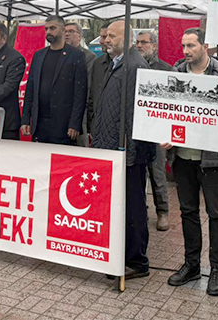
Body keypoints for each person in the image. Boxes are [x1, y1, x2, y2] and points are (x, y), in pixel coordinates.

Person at [163, 27, 218, 297]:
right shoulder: (175, 74)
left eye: (191, 46)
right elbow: (165, 112)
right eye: (183, 46)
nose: (185, 51)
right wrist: (164, 134)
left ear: (205, 46)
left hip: (212, 160)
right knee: (188, 212)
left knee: (216, 214)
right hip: (182, 157)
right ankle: (192, 265)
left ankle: (216, 270)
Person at [92, 20, 155, 280]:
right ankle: (122, 255)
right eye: (106, 36)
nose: (106, 40)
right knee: (120, 206)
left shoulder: (134, 66)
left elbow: (134, 114)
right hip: (113, 148)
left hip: (128, 153)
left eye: (112, 36)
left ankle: (137, 261)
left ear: (127, 38)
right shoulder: (118, 64)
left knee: (133, 207)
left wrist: (129, 153)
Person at [20, 16, 88, 145]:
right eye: (46, 29)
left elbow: (80, 93)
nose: (48, 32)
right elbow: (31, 89)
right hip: (40, 123)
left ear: (63, 30)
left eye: (52, 28)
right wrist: (25, 119)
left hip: (63, 125)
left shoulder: (76, 56)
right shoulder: (39, 55)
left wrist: (75, 123)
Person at [135, 30, 173, 231]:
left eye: (144, 42)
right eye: (137, 42)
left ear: (154, 45)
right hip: (137, 129)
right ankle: (141, 209)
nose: (139, 45)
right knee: (137, 173)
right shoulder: (132, 67)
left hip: (158, 131)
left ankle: (162, 212)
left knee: (157, 173)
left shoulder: (167, 70)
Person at [65, 22, 97, 147]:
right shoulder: (59, 54)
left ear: (80, 36)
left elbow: (86, 87)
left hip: (79, 111)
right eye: (65, 31)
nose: (67, 34)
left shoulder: (88, 56)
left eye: (71, 31)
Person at [87, 23, 111, 135]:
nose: (101, 41)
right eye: (101, 37)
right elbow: (92, 97)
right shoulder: (98, 63)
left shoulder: (130, 64)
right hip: (97, 129)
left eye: (105, 37)